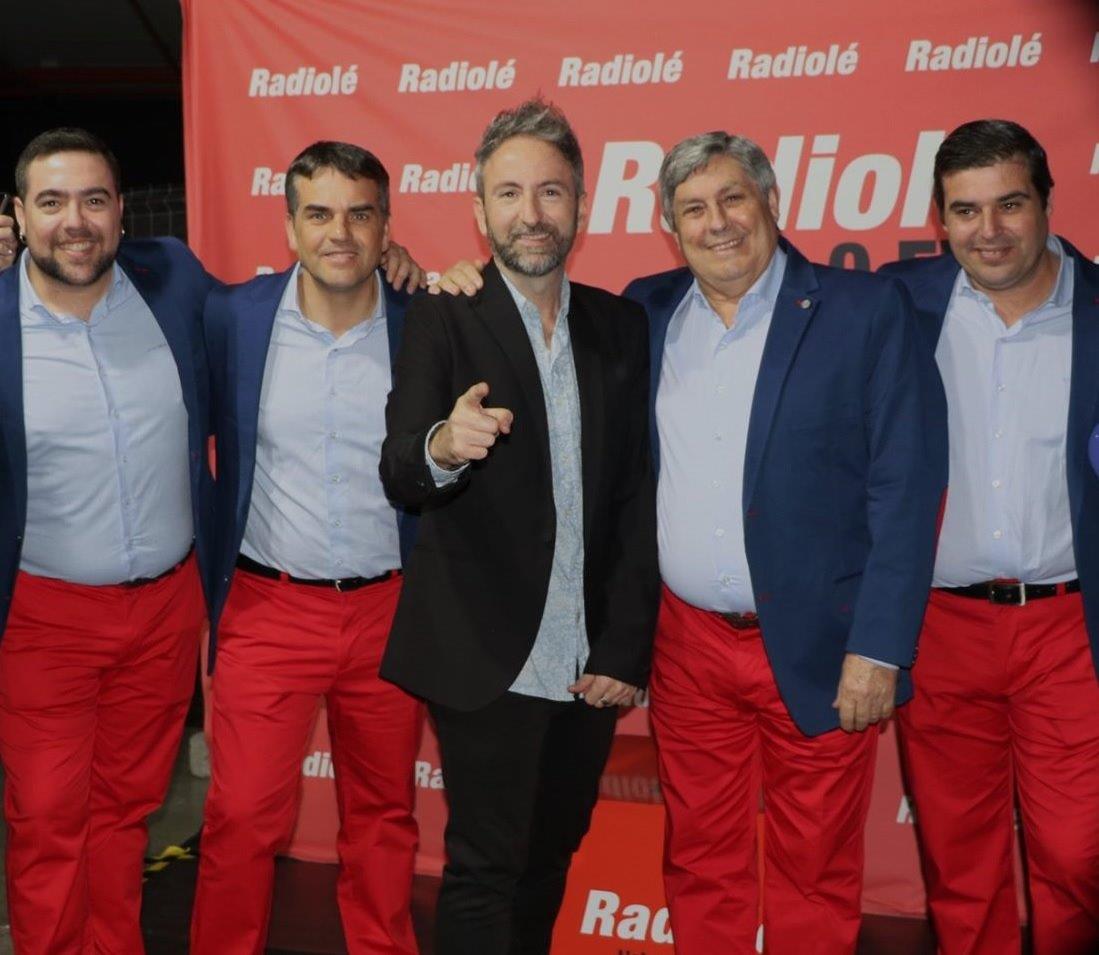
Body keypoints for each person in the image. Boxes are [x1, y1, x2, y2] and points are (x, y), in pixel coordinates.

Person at [434, 129, 946, 953]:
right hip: (689, 648)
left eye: (732, 198)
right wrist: (460, 279)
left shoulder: (862, 310)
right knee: (701, 858)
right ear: (670, 228)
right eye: (693, 209)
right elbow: (540, 342)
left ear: (771, 202)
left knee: (813, 869)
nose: (717, 223)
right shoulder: (644, 310)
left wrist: (879, 645)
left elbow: (905, 485)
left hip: (821, 643)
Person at [379, 98, 659, 955]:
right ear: (479, 210)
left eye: (549, 191)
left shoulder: (620, 324)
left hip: (586, 662)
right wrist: (444, 445)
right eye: (508, 193)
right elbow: (400, 466)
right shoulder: (443, 314)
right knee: (484, 867)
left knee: (549, 857)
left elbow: (634, 495)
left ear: (581, 205)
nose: (530, 212)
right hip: (483, 651)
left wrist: (623, 645)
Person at [190, 141, 424, 954]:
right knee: (241, 816)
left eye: (360, 214)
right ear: (289, 227)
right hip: (268, 606)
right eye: (319, 213)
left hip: (392, 609)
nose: (340, 233)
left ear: (386, 226)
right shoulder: (233, 318)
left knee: (384, 817)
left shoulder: (426, 320)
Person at [881, 118, 1099, 955]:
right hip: (941, 627)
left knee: (1077, 852)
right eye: (965, 211)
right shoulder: (897, 303)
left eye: (1009, 204)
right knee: (958, 863)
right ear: (939, 220)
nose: (989, 231)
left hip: (1069, 630)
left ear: (1045, 201)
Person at [0, 127, 216, 955]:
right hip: (43, 619)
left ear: (122, 212)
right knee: (49, 818)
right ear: (19, 215)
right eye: (52, 202)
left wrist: (392, 265)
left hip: (165, 613)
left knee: (125, 812)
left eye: (94, 200)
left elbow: (277, 314)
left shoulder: (173, 279)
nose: (75, 221)